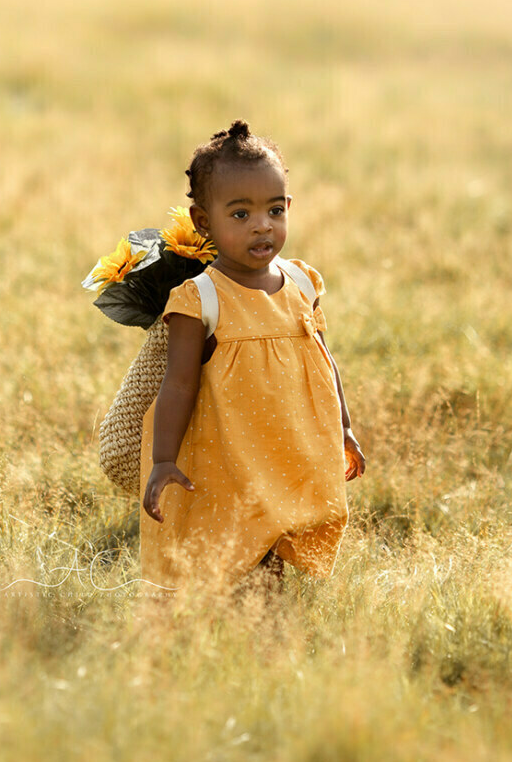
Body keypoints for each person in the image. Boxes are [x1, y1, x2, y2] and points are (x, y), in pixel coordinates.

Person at [138, 120, 366, 592]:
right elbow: (177, 384)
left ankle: (266, 620)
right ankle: (237, 620)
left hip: (290, 446)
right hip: (233, 454)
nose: (263, 224)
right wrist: (163, 459)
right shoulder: (201, 299)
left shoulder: (303, 283)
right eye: (240, 215)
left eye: (274, 210)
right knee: (238, 542)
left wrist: (342, 427)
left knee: (279, 539)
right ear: (204, 221)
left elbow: (324, 360)